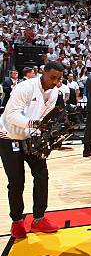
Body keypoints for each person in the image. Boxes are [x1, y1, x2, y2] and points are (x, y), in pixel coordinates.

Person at [0, 61, 64, 238]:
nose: (55, 81)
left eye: (59, 79)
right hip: (9, 136)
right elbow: (11, 115)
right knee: (16, 181)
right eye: (52, 77)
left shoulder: (55, 92)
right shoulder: (25, 87)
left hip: (30, 137)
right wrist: (34, 125)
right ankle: (16, 221)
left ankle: (39, 218)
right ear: (42, 73)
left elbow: (44, 118)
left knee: (42, 175)